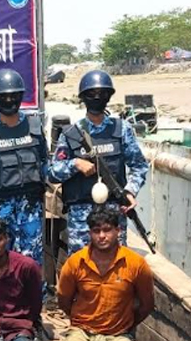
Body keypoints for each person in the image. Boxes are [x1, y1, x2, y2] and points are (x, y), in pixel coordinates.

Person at [49, 69, 150, 254]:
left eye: (102, 94)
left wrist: (130, 191)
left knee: (116, 270)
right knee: (83, 271)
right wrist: (75, 164)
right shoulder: (72, 133)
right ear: (83, 97)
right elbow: (52, 171)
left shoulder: (121, 130)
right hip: (81, 218)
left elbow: (139, 166)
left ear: (109, 96)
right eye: (92, 94)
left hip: (113, 214)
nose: (97, 97)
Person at [52, 206, 154, 341]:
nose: (102, 236)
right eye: (96, 231)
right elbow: (64, 301)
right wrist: (80, 320)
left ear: (118, 230)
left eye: (107, 230)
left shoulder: (136, 264)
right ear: (90, 233)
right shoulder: (75, 262)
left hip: (117, 335)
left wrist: (126, 324)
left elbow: (147, 305)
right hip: (82, 332)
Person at [0, 68, 52, 274]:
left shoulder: (34, 126)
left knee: (30, 262)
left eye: (14, 96)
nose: (9, 100)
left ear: (21, 96)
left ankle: (31, 305)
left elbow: (43, 161)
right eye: (3, 97)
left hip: (29, 207)